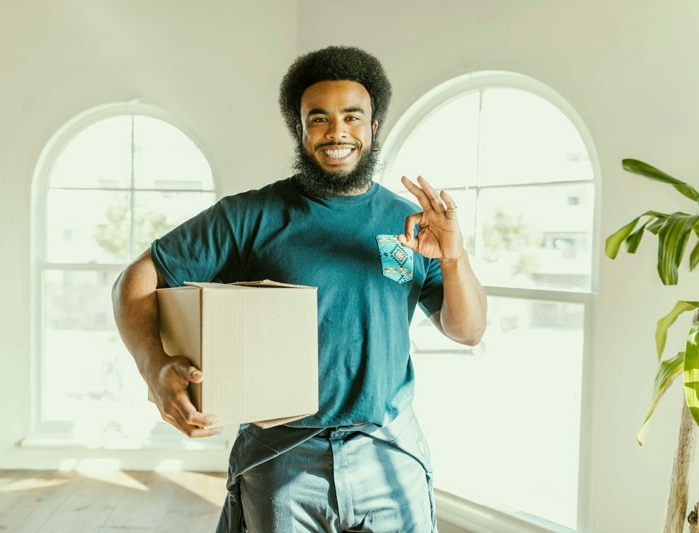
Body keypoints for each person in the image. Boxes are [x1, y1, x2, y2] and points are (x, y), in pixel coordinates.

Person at [112, 45, 487, 533]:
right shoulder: (249, 216)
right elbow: (136, 278)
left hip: (389, 447)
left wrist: (454, 258)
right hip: (282, 456)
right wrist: (153, 368)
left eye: (353, 117)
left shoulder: (410, 222)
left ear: (373, 129)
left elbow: (468, 330)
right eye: (319, 119)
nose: (337, 132)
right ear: (300, 129)